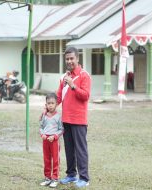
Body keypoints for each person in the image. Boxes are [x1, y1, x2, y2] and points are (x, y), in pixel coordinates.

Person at [56, 47, 91, 188]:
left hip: (79, 120)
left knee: (80, 149)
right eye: (67, 59)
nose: (69, 61)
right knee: (69, 149)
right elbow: (58, 96)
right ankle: (71, 175)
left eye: (72, 58)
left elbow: (86, 96)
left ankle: (84, 178)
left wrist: (72, 85)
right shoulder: (64, 77)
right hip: (66, 119)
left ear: (77, 59)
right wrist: (46, 109)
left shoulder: (84, 75)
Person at [39, 93, 64, 188]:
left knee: (55, 160)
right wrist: (43, 134)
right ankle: (47, 178)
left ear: (56, 104)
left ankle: (55, 178)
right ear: (46, 104)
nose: (50, 105)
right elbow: (41, 127)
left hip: (54, 141)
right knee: (46, 159)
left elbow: (62, 129)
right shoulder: (44, 116)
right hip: (45, 141)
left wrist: (54, 136)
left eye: (52, 103)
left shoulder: (58, 116)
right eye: (48, 103)